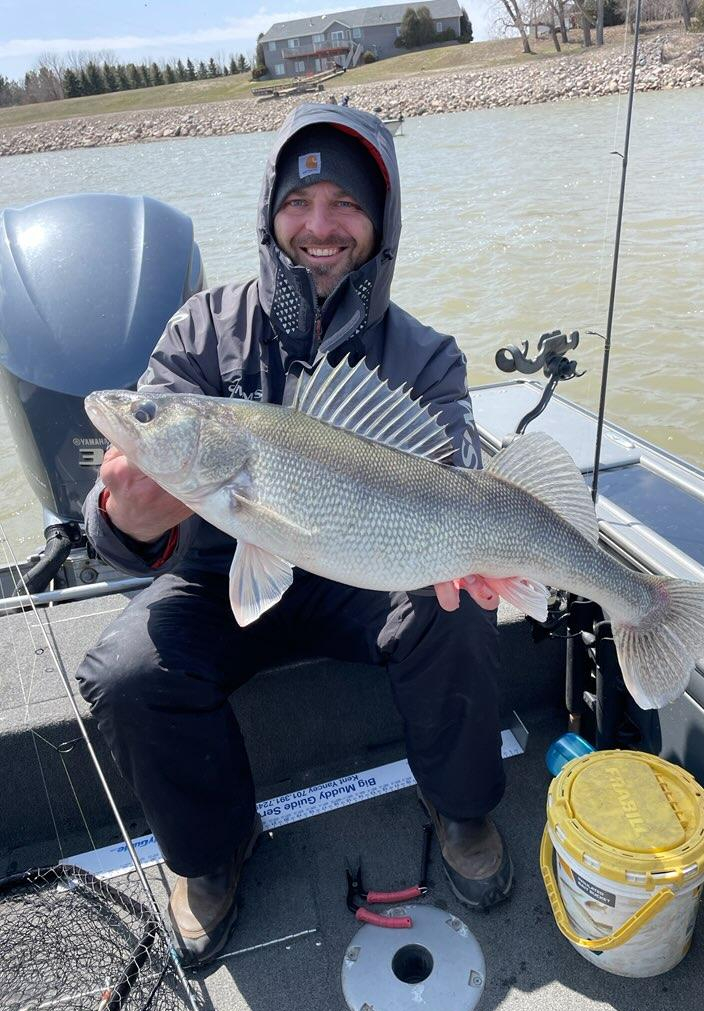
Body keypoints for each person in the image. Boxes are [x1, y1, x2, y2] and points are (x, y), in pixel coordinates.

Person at [77, 103, 513, 967]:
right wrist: (122, 522)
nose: (320, 226)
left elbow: (461, 469)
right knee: (126, 669)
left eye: (347, 204)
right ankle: (213, 855)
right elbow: (118, 524)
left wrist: (479, 554)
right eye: (300, 199)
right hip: (224, 569)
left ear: (381, 224)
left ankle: (462, 806)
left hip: (372, 568)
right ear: (271, 210)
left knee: (458, 609)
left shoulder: (426, 355)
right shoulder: (201, 330)